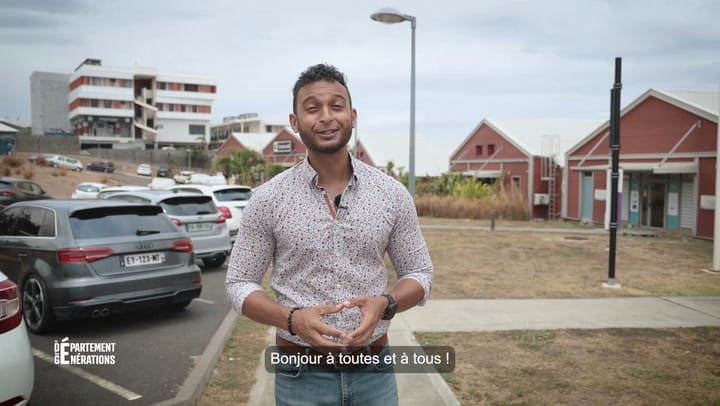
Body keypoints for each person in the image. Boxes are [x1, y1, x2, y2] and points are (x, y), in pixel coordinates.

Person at [225, 63, 433, 405]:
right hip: (299, 375)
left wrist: (385, 304)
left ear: (353, 116)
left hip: (374, 371)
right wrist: (292, 320)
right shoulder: (268, 199)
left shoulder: (391, 194)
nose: (326, 117)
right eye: (312, 108)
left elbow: (420, 273)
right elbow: (239, 283)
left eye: (336, 106)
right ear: (294, 122)